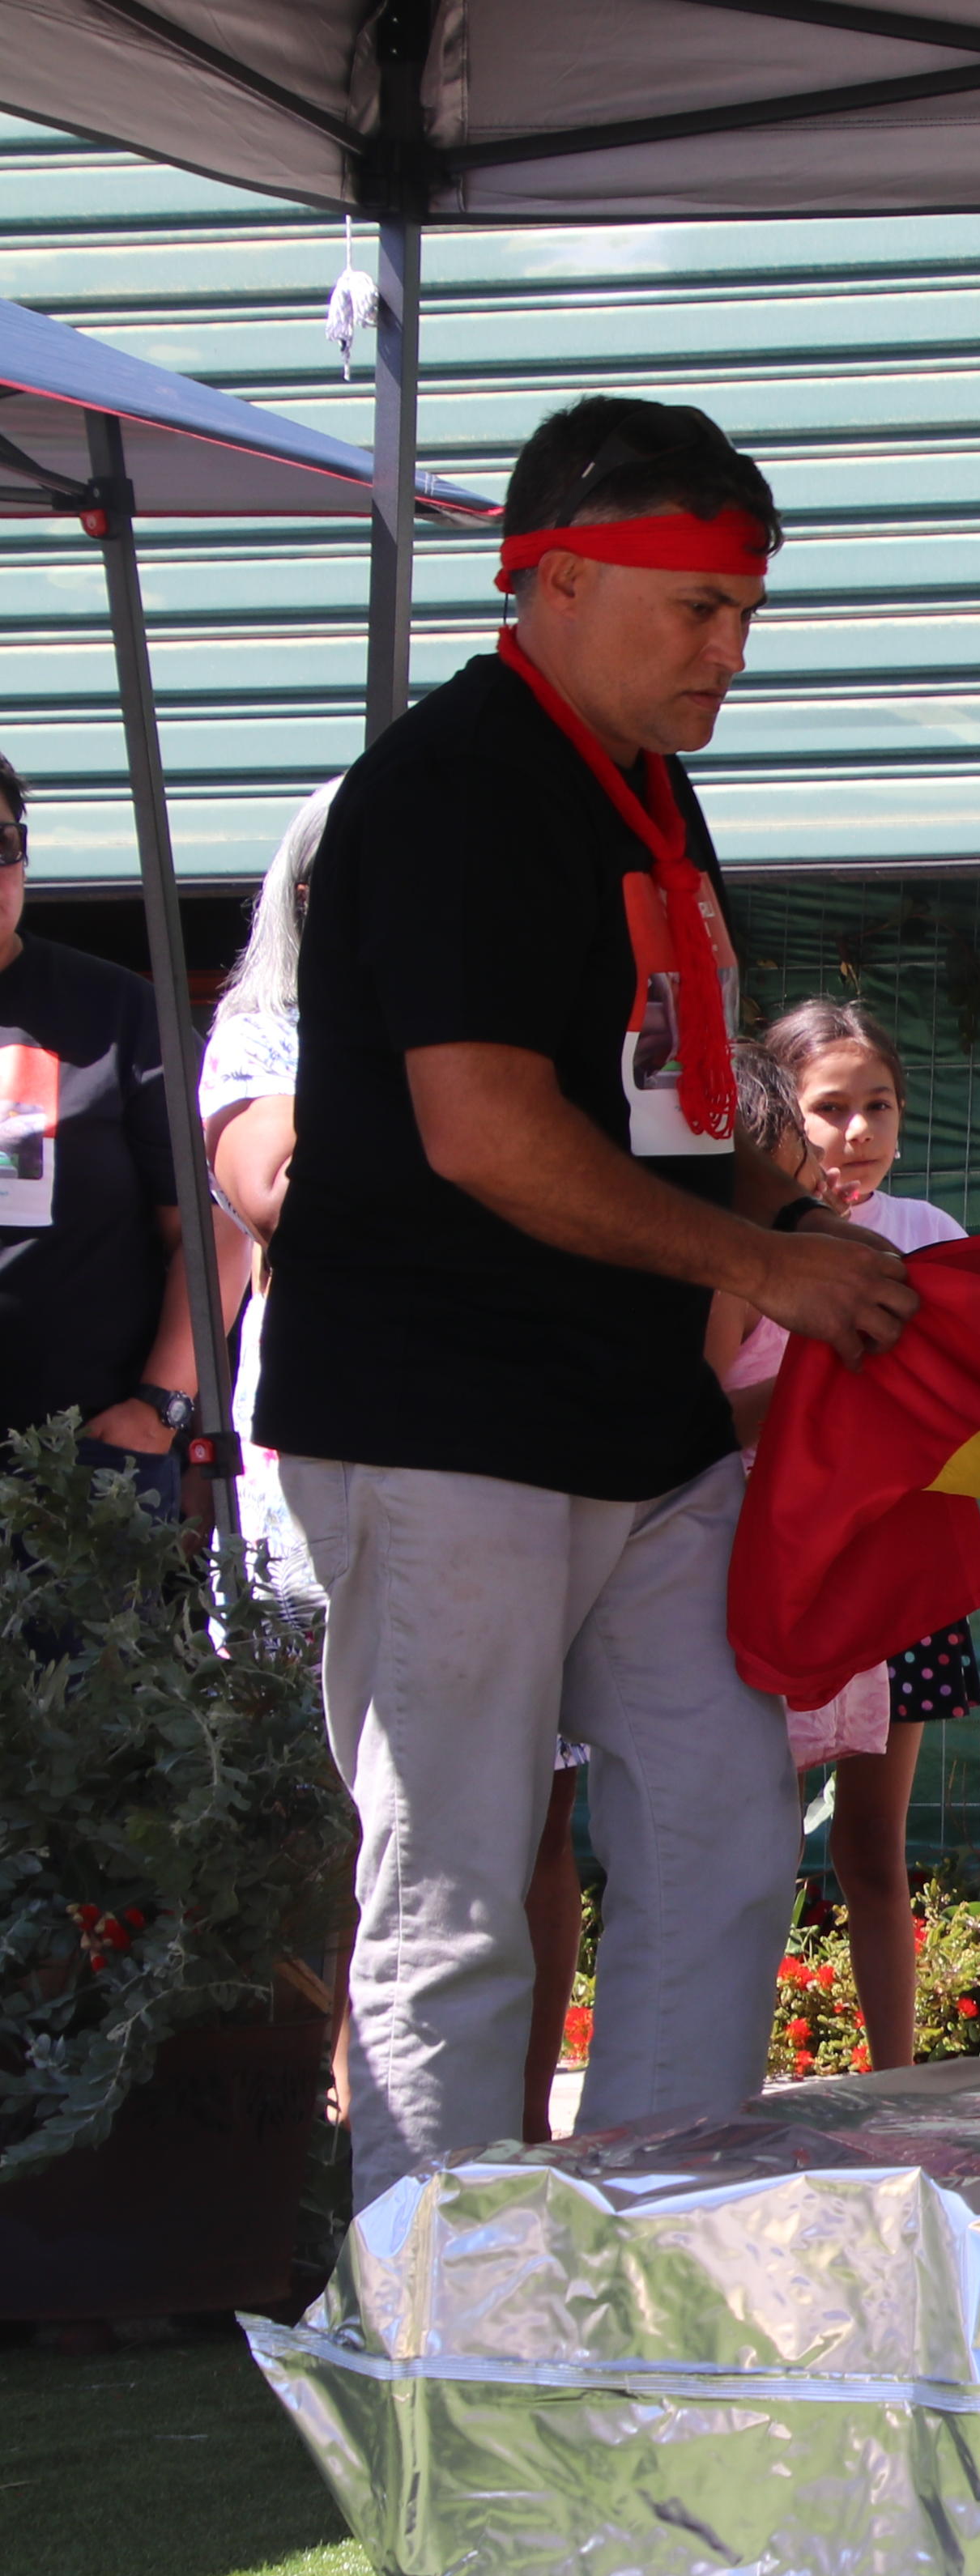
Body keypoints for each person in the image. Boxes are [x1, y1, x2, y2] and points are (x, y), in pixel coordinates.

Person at [258, 393, 925, 2206]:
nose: (730, 649)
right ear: (549, 578)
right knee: (459, 1883)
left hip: (631, 1417)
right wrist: (762, 1255)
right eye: (694, 606)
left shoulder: (644, 779)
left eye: (745, 612)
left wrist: (804, 1197)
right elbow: (484, 1131)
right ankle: (435, 2312)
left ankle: (655, 2254)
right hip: (441, 1416)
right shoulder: (456, 783)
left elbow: (660, 1087)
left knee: (718, 1834)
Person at [198, 779, 600, 2145]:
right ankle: (329, 2124)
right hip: (333, 1463)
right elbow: (277, 1186)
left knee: (525, 1812)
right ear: (309, 893)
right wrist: (486, 1147)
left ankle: (520, 2128)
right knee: (346, 1817)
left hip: (508, 1447)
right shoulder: (265, 1029)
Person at [750, 997, 980, 2072]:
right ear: (775, 1115)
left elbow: (963, 1410)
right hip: (776, 1574)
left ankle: (897, 2088)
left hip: (897, 1581)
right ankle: (729, 2082)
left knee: (875, 1852)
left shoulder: (930, 1236)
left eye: (877, 1105)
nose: (857, 1133)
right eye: (829, 1107)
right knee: (753, 1849)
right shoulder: (745, 1244)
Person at [0, 748, 204, 1518]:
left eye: (0, 845)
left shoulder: (120, 1015)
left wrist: (162, 1409)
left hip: (84, 1474)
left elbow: (209, 1230)